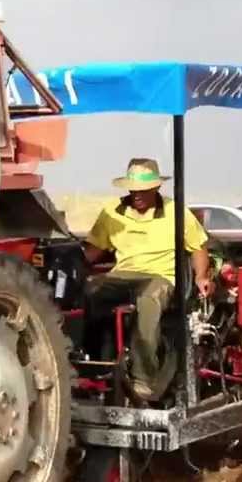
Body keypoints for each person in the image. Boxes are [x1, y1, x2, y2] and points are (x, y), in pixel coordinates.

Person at [83, 158, 212, 400]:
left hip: (161, 276)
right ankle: (95, 360)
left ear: (156, 188)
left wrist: (202, 276)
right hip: (123, 275)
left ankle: (145, 378)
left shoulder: (175, 211)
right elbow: (92, 251)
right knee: (89, 290)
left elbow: (198, 247)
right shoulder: (112, 212)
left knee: (149, 300)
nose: (137, 195)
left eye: (142, 191)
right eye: (133, 190)